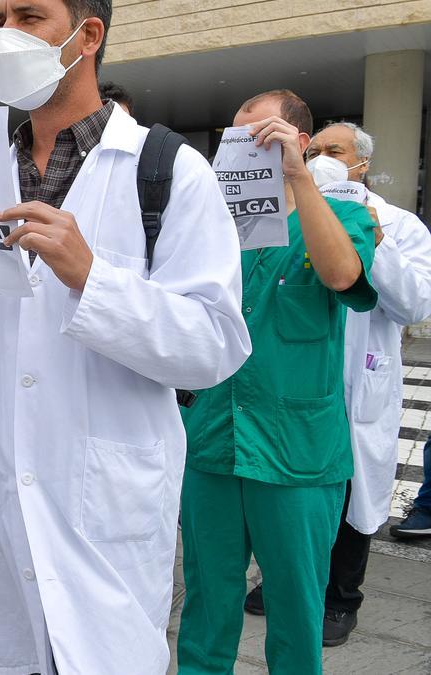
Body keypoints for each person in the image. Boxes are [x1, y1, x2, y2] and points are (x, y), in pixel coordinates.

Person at [0, 1, 251, 671]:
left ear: (88, 36)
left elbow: (213, 347)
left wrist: (92, 279)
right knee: (17, 655)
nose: (6, 36)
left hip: (104, 501)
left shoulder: (167, 170)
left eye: (29, 15)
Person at [177, 91, 378, 673]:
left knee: (295, 611)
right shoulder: (216, 224)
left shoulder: (340, 214)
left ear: (298, 141)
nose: (245, 149)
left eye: (258, 135)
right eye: (234, 138)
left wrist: (301, 181)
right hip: (214, 441)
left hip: (298, 454)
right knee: (207, 606)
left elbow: (342, 275)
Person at [242, 121, 431, 645]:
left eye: (335, 151)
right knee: (287, 481)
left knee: (351, 490)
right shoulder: (286, 213)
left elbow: (415, 303)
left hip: (357, 379)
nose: (323, 157)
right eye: (315, 149)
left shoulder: (401, 223)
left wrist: (377, 239)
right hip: (295, 375)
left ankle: (341, 598)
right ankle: (285, 580)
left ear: (360, 164)